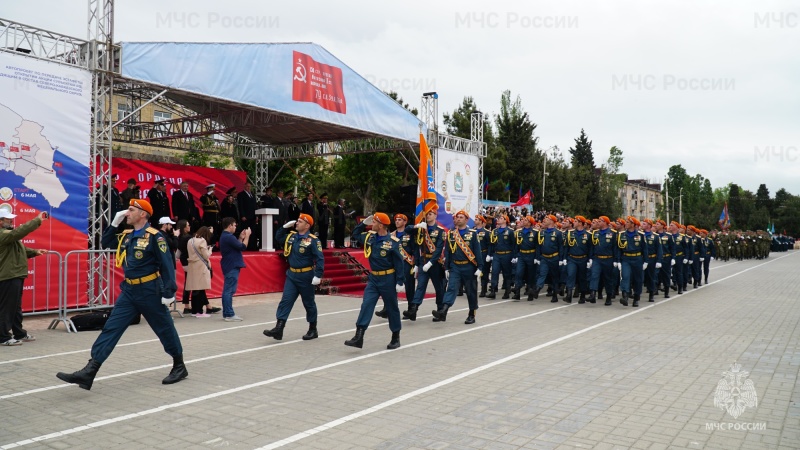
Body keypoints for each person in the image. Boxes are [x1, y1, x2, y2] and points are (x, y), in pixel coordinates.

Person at [57, 199, 187, 389]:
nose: (127, 213)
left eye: (131, 210)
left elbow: (168, 264)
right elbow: (106, 243)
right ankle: (90, 370)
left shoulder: (155, 237)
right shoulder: (127, 235)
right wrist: (113, 224)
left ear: (143, 214)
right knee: (111, 328)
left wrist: (169, 292)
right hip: (129, 291)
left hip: (150, 290)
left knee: (164, 328)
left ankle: (179, 365)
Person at [344, 212, 404, 348]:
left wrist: (400, 281)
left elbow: (399, 263)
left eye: (375, 222)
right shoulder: (370, 237)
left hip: (388, 278)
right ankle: (359, 336)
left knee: (392, 308)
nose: (372, 224)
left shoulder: (393, 242)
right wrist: (363, 223)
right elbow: (355, 234)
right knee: (366, 305)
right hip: (374, 278)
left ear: (381, 225)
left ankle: (395, 336)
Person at [263, 214, 323, 340]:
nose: (297, 223)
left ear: (307, 225)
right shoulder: (292, 236)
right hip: (292, 275)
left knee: (309, 303)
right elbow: (278, 238)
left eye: (300, 222)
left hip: (306, 275)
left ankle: (313, 329)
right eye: (297, 221)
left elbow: (320, 259)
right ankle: (279, 329)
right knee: (286, 301)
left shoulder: (313, 240)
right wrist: (284, 227)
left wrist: (318, 275)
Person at [0, 211, 48, 346]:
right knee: (7, 308)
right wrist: (37, 220)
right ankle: (3, 337)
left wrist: (35, 252)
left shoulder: (8, 235)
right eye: (8, 219)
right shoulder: (3, 234)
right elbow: (19, 232)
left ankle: (19, 333)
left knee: (15, 307)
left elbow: (20, 249)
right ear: (0, 221)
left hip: (14, 275)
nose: (11, 221)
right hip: (8, 276)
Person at [434, 210, 481, 324]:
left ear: (466, 220)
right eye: (457, 217)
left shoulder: (472, 233)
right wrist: (447, 268)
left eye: (461, 217)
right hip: (455, 266)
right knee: (451, 288)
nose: (458, 219)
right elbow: (448, 252)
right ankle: (443, 311)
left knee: (471, 291)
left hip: (469, 267)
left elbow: (478, 252)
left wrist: (480, 268)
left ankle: (471, 314)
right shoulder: (451, 234)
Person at [403, 204, 446, 321]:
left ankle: (441, 311)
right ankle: (413, 310)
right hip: (423, 261)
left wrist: (431, 263)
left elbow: (438, 249)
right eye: (427, 214)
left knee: (439, 288)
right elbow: (406, 230)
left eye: (430, 214)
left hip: (435, 263)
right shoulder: (421, 229)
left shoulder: (440, 231)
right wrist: (416, 226)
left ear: (435, 215)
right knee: (420, 286)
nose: (428, 216)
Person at [219, 216, 250, 321]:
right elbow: (243, 247)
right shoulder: (228, 236)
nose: (236, 227)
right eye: (234, 225)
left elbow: (237, 246)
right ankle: (229, 314)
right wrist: (247, 236)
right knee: (228, 290)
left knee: (230, 290)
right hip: (231, 265)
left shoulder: (227, 236)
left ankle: (228, 313)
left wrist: (241, 238)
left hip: (230, 265)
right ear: (230, 226)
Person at [531, 214, 565, 303]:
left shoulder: (558, 233)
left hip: (554, 257)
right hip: (544, 257)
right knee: (542, 273)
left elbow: (561, 247)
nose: (544, 220)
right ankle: (537, 289)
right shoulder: (542, 232)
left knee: (554, 277)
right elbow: (539, 245)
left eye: (547, 219)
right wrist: (538, 257)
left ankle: (554, 295)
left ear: (552, 221)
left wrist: (561, 259)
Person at [617, 217, 649, 307]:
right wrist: (618, 261)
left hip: (637, 259)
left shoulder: (641, 235)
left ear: (633, 225)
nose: (626, 223)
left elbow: (645, 249)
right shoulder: (621, 235)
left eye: (628, 222)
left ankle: (636, 297)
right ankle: (625, 296)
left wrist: (646, 261)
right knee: (625, 276)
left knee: (637, 279)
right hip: (626, 258)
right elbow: (619, 249)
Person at [186, 226, 214, 317]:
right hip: (201, 266)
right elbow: (206, 256)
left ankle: (194, 311)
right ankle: (199, 311)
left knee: (195, 289)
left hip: (192, 266)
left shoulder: (190, 240)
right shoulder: (202, 241)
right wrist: (210, 250)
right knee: (201, 289)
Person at [564, 216, 592, 304]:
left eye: (576, 221)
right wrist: (565, 258)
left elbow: (590, 248)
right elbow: (566, 247)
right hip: (572, 258)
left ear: (580, 223)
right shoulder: (570, 233)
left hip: (583, 259)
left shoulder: (588, 235)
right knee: (570, 275)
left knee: (582, 278)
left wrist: (589, 260)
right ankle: (569, 295)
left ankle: (582, 296)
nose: (574, 223)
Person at [237, 181, 259, 250]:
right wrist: (242, 215)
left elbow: (255, 206)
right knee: (245, 232)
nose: (249, 188)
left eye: (250, 186)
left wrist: (256, 216)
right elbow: (241, 206)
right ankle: (244, 246)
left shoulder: (252, 195)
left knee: (252, 232)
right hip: (245, 217)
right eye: (247, 186)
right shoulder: (241, 194)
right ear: (245, 186)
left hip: (252, 217)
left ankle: (252, 246)